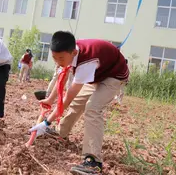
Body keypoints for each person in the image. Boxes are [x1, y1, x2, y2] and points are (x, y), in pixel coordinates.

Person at [29, 31, 129, 175]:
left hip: (114, 76)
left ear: (74, 53)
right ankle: (60, 132)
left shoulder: (85, 62)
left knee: (92, 108)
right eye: (54, 58)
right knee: (78, 103)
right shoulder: (69, 52)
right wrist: (50, 99)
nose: (58, 62)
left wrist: (45, 123)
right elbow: (62, 77)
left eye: (61, 58)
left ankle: (93, 162)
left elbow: (66, 100)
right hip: (97, 73)